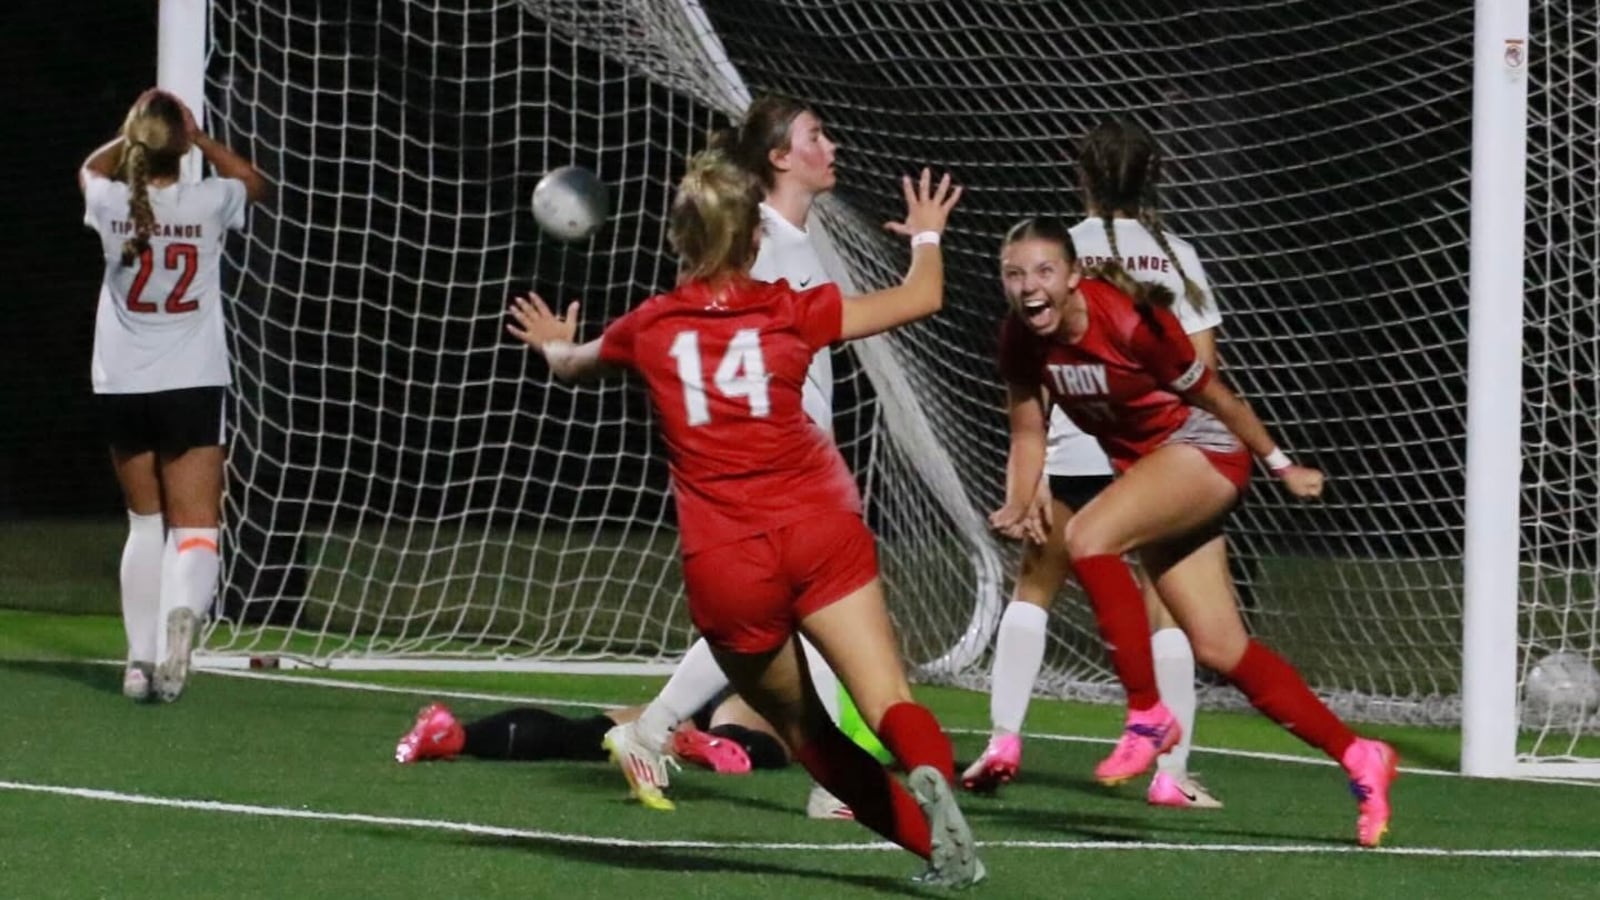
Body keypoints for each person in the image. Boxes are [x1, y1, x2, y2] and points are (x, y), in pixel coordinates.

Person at [507, 152, 982, 885]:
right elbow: (921, 297)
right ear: (753, 243)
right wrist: (925, 234)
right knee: (888, 700)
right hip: (819, 529)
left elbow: (574, 365)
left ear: (678, 240)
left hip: (728, 562)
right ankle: (929, 772)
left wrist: (552, 345)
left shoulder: (650, 327)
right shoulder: (792, 309)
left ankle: (935, 853)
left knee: (809, 735)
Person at [989, 215, 1399, 848]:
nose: (1028, 286)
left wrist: (1283, 464)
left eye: (1043, 271)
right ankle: (1359, 755)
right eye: (1014, 274)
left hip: (1205, 449)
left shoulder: (1129, 322)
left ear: (1072, 275)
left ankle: (1148, 714)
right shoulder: (1021, 338)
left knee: (1091, 536)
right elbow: (1026, 429)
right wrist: (1021, 500)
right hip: (1156, 470)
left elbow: (1220, 401)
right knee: (1220, 648)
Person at [599, 95, 873, 821]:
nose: (831, 145)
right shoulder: (769, 244)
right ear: (781, 157)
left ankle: (652, 730)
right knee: (803, 619)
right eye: (818, 135)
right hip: (778, 474)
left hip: (792, 468)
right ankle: (832, 780)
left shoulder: (793, 240)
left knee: (765, 625)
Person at [963, 120, 1224, 810]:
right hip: (1158, 455)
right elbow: (1203, 370)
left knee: (1034, 589)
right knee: (1165, 608)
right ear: (1155, 175)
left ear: (1082, 176)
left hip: (1075, 447)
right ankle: (1172, 776)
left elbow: (1032, 364)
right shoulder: (1179, 255)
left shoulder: (1057, 253)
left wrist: (1035, 470)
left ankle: (1002, 739)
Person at [79, 89, 269, 703]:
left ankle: (137, 663)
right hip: (191, 381)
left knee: (144, 524)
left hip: (122, 383)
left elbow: (89, 169)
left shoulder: (110, 201)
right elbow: (254, 181)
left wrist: (132, 133)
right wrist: (201, 137)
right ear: (183, 148)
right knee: (197, 532)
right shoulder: (208, 200)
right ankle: (183, 615)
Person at [393, 689, 791, 774]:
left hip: (709, 669)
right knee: (778, 739)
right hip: (764, 672)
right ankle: (717, 740)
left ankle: (459, 735)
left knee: (580, 736)